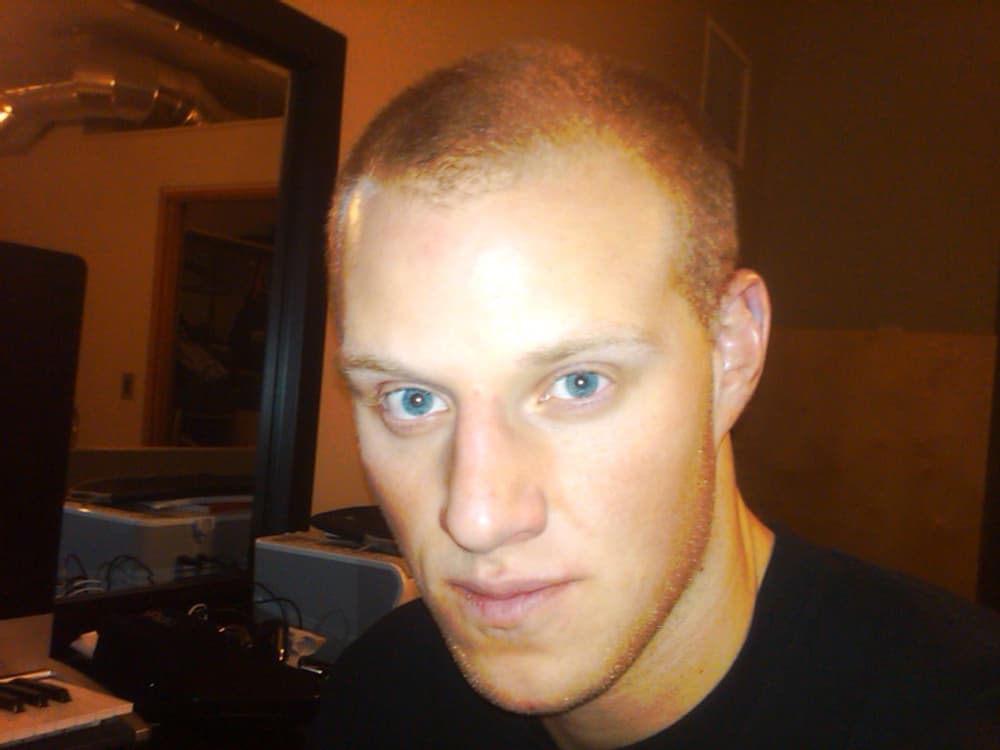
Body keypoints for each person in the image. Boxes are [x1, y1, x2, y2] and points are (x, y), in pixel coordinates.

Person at [307, 42, 1000, 749]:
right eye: (412, 400)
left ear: (731, 352)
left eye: (578, 383)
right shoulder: (378, 695)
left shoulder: (959, 716)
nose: (477, 519)